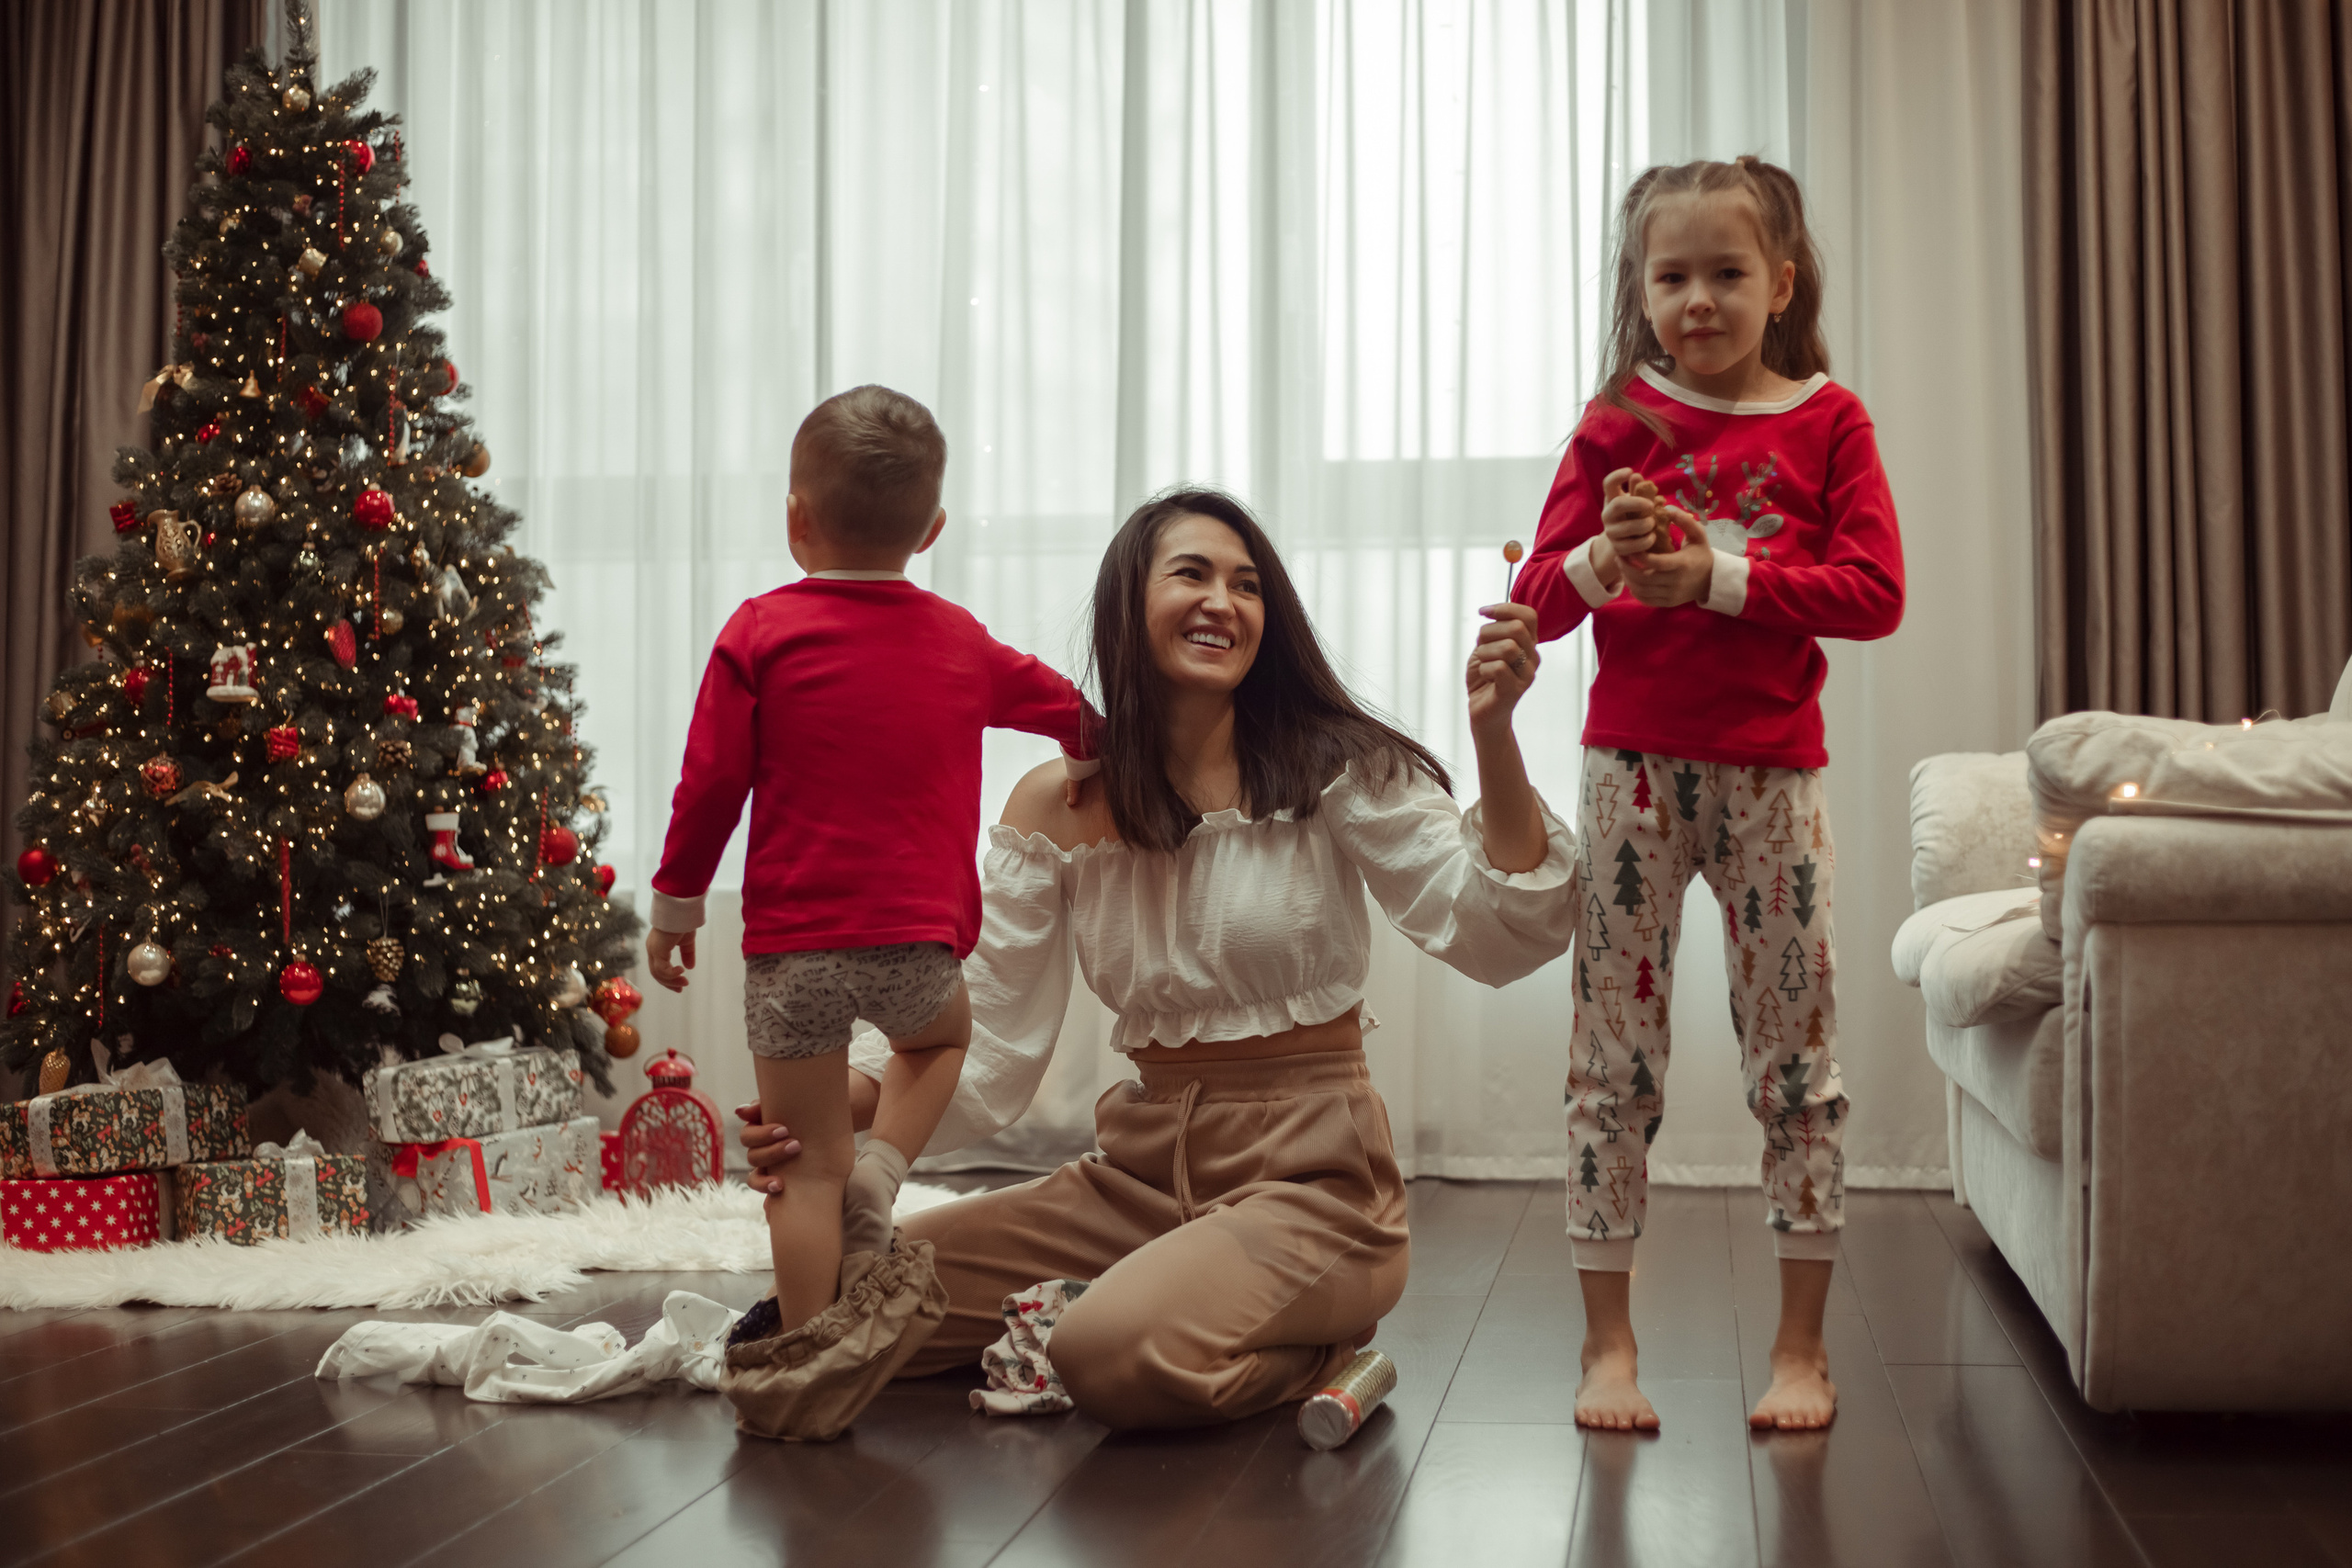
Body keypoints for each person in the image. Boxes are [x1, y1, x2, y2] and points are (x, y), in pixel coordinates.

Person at [739, 487, 1577, 1430]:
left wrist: (1494, 734)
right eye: (1193, 573)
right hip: (1131, 1181)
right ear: (1127, 604)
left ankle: (1313, 1353)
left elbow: (1497, 923)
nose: (1224, 600)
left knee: (1102, 1352)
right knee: (858, 1295)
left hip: (1315, 1190)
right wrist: (817, 1115)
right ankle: (1146, 1301)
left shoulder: (1331, 768)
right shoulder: (1056, 804)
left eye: (1248, 585)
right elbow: (986, 1035)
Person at [1516, 155, 1905, 1433]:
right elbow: (1542, 601)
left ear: (1780, 284)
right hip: (1629, 767)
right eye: (1671, 275)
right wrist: (1605, 555)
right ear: (1640, 288)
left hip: (1776, 778)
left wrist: (1718, 579)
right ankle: (1604, 1349)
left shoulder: (1831, 420)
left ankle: (1803, 1352)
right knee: (1608, 1068)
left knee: (1797, 1064)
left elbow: (1875, 593)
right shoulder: (1614, 418)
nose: (1698, 299)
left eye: (1727, 273)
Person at [642, 385, 1099, 1399]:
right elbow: (1066, 708)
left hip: (792, 952)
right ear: (930, 530)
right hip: (917, 950)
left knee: (801, 1166)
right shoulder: (960, 641)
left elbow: (709, 781)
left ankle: (810, 1367)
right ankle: (885, 1171)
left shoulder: (759, 633)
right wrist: (1091, 750)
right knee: (936, 1044)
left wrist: (677, 906)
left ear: (795, 517)